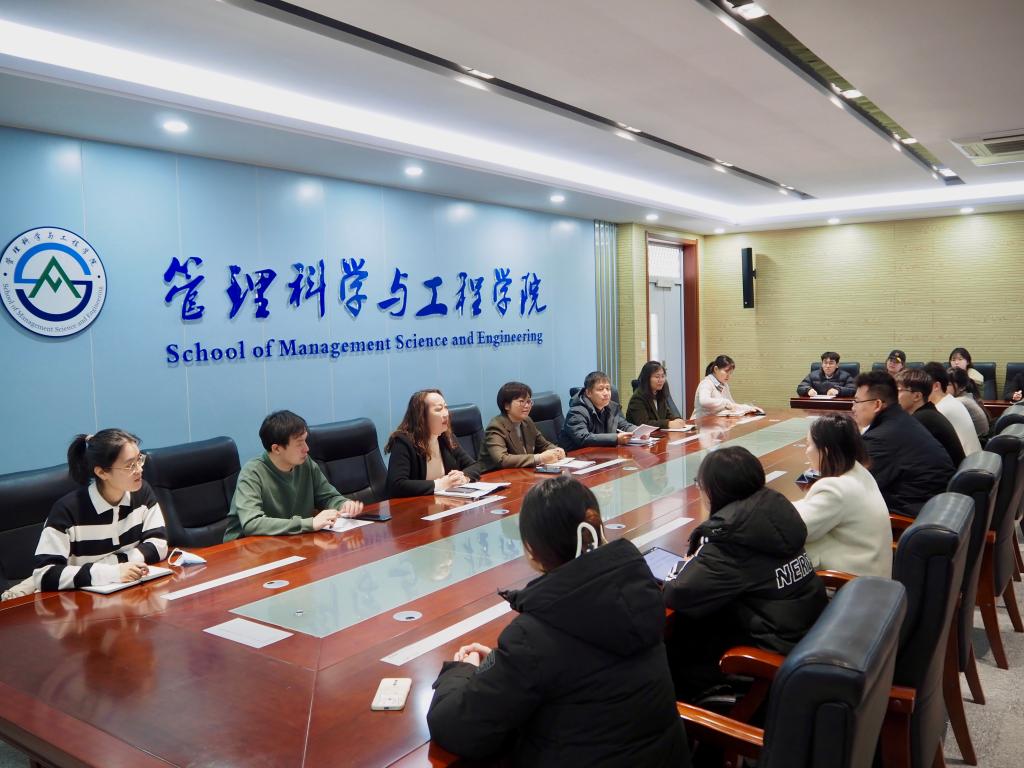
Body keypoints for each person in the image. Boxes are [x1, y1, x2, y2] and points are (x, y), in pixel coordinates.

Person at [426, 476, 690, 767]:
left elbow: (456, 728)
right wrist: (506, 666)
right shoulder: (640, 589)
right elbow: (579, 668)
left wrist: (461, 672)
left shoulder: (534, 636)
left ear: (531, 550)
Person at [662, 446, 827, 702]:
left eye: (699, 484)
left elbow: (677, 592)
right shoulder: (773, 513)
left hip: (765, 661)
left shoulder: (732, 536)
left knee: (669, 650)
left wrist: (687, 562)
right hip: (802, 634)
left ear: (714, 491)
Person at [33, 429, 168, 592]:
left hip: (128, 592)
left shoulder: (142, 493)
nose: (139, 469)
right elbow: (44, 575)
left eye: (139, 459)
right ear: (102, 472)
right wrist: (113, 572)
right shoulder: (67, 511)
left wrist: (114, 564)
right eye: (130, 465)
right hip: (79, 601)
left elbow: (159, 545)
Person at [225, 411, 363, 540]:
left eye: (305, 440)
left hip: (288, 541)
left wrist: (343, 504)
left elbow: (327, 497)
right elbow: (252, 523)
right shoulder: (252, 473)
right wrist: (309, 524)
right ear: (276, 448)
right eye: (299, 444)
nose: (306, 448)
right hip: (247, 548)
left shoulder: (305, 464)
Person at [794, 414, 893, 577]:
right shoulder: (858, 471)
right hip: (873, 572)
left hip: (848, 583)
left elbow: (795, 531)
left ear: (825, 451)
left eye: (808, 445)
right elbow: (806, 503)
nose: (806, 451)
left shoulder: (834, 489)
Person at [850, 371, 954, 517]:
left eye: (857, 401)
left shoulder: (881, 438)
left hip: (918, 515)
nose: (853, 407)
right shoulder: (900, 420)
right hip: (935, 505)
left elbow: (857, 486)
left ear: (877, 404)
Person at [385, 389, 481, 497]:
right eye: (438, 409)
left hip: (443, 502)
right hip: (416, 505)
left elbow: (475, 466)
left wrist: (463, 477)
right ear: (422, 416)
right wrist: (440, 484)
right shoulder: (403, 442)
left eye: (445, 407)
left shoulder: (446, 438)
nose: (446, 414)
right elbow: (397, 485)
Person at [478, 382, 565, 472]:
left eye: (528, 401)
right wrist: (539, 458)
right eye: (521, 401)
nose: (527, 406)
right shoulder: (496, 426)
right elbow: (502, 459)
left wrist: (556, 450)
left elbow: (543, 445)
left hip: (521, 472)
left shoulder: (527, 421)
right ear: (506, 405)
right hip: (494, 475)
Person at [895, 369, 965, 467]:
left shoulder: (922, 420)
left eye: (898, 390)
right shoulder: (928, 413)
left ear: (917, 396)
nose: (893, 395)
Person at [559, 371, 636, 450]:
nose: (606, 393)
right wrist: (616, 438)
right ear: (588, 393)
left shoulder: (612, 408)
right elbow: (583, 438)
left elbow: (624, 426)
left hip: (600, 452)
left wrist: (639, 431)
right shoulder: (577, 412)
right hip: (576, 455)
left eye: (608, 389)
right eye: (600, 389)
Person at [923, 362, 982, 456]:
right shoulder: (950, 400)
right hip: (973, 459)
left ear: (936, 386)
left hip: (964, 462)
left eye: (923, 384)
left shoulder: (941, 409)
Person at [691, 355, 760, 417]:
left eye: (730, 373)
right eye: (726, 371)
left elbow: (731, 404)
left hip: (714, 422)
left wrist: (748, 408)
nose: (728, 376)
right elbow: (704, 401)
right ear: (716, 369)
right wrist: (724, 402)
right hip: (699, 422)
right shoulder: (706, 383)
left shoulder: (724, 385)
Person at [626, 360, 688, 428]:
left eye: (663, 376)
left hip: (659, 433)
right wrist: (668, 424)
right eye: (657, 377)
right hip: (640, 434)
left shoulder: (659, 394)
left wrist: (676, 419)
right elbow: (644, 424)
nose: (661, 380)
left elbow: (667, 414)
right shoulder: (637, 398)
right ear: (647, 379)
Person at [948, 367, 990, 438]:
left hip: (980, 441)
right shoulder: (967, 396)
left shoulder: (960, 401)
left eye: (948, 384)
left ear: (962, 387)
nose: (943, 387)